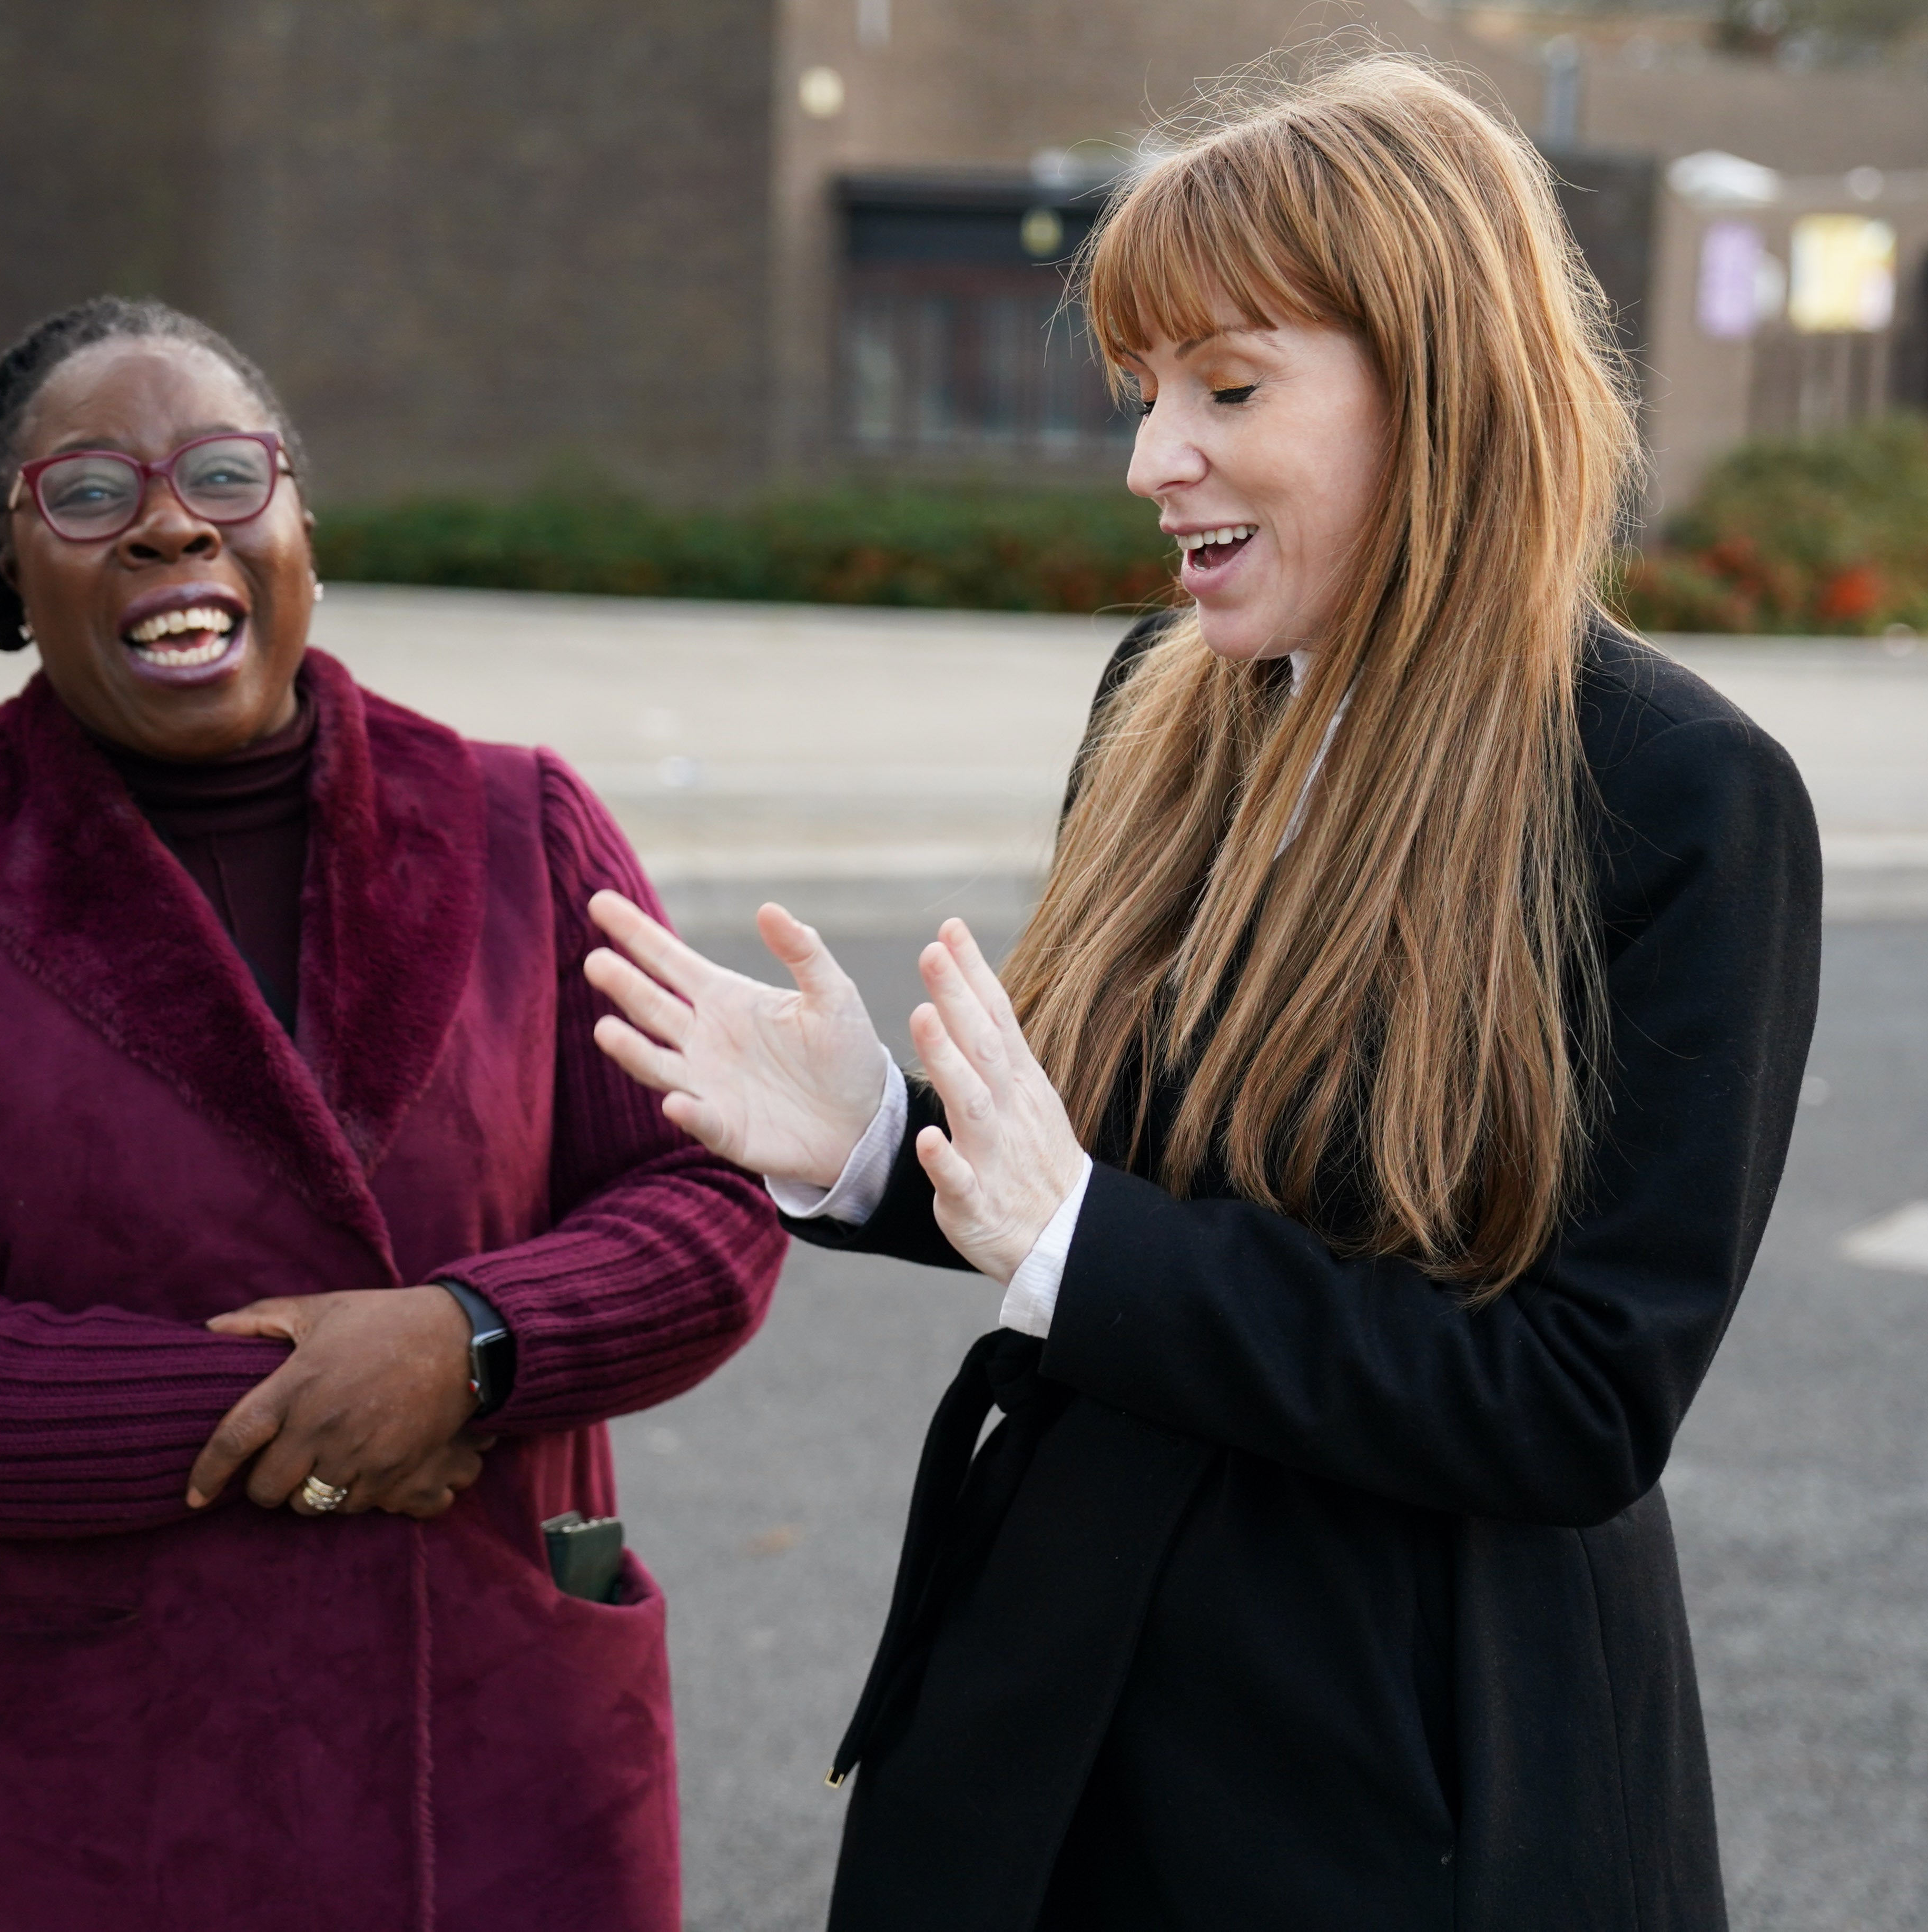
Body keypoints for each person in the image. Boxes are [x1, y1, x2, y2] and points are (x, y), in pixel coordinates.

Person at [582, 53, 1820, 1932]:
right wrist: (872, 1141)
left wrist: (1070, 1235)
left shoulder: (1678, 797)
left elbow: (1576, 1401)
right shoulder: (1163, 704)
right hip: (1053, 1679)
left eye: (1227, 387)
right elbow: (1115, 1197)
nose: (1154, 458)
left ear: (1445, 385)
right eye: (1146, 394)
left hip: (1405, 1746)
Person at [0, 295, 785, 1929]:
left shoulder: (527, 825)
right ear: (11, 573)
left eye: (223, 471)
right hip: (96, 1799)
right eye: (86, 491)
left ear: (297, 528)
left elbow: (704, 1205)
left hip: (501, 1758)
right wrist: (308, 1420)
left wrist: (467, 1342)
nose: (164, 520)